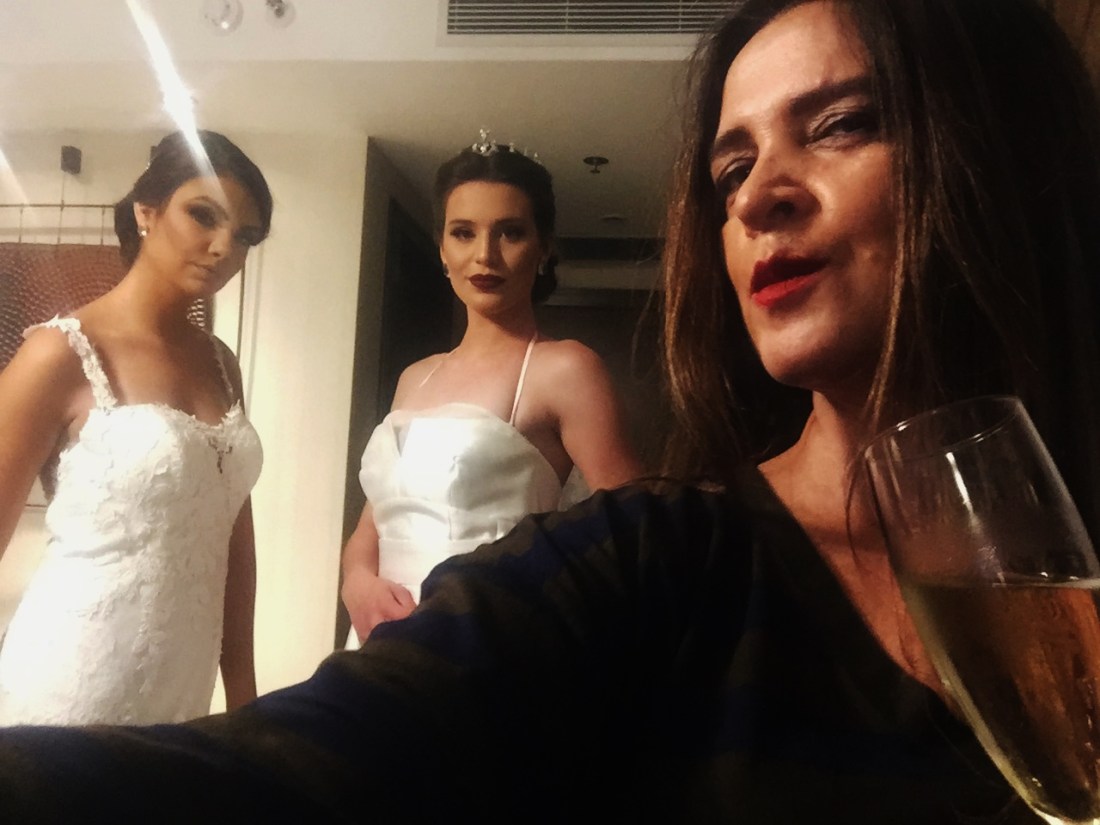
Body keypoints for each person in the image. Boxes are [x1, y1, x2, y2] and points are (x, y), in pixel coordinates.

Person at [0, 0, 1097, 820]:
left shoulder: (577, 395)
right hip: (424, 664)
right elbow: (291, 760)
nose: (759, 194)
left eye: (842, 123)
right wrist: (356, 582)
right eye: (729, 172)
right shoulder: (588, 523)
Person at [0, 129, 273, 725]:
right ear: (147, 211)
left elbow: (234, 542)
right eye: (204, 215)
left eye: (245, 236)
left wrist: (245, 697)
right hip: (69, 690)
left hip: (183, 694)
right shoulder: (59, 353)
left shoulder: (221, 364)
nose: (223, 247)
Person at [340, 140, 642, 644]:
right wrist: (356, 582)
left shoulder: (565, 368)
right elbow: (372, 526)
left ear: (543, 249)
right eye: (464, 233)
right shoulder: (415, 377)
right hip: (377, 646)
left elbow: (637, 530)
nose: (485, 254)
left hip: (491, 646)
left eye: (511, 232)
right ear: (442, 249)